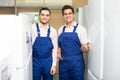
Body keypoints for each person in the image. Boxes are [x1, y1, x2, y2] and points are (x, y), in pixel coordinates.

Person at [58, 5, 89, 80]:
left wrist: (84, 49)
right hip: (63, 63)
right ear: (63, 16)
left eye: (70, 13)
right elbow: (59, 45)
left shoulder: (81, 29)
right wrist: (58, 52)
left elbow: (86, 47)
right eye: (65, 14)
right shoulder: (60, 29)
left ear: (73, 14)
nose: (68, 15)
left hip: (77, 64)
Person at [32, 7, 57, 80]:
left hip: (48, 63)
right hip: (35, 62)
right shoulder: (32, 28)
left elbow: (54, 50)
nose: (44, 17)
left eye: (47, 15)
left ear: (49, 17)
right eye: (42, 15)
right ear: (39, 15)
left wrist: (54, 65)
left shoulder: (53, 31)